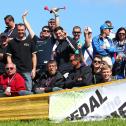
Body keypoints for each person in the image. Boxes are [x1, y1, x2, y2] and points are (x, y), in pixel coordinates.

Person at [6, 23, 37, 92]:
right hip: (16, 71)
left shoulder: (30, 41)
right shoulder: (11, 42)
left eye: (22, 30)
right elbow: (8, 56)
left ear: (25, 30)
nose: (20, 31)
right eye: (19, 30)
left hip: (27, 70)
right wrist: (11, 68)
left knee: (28, 90)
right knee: (15, 90)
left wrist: (34, 69)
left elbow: (34, 56)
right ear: (16, 30)